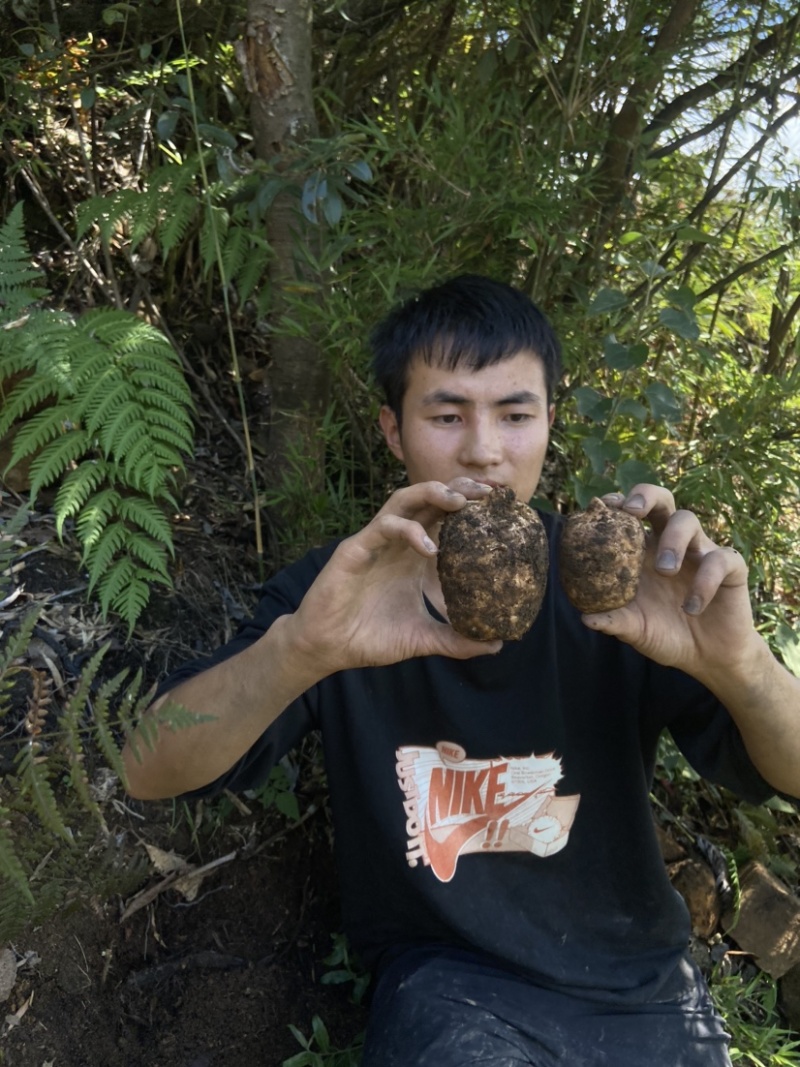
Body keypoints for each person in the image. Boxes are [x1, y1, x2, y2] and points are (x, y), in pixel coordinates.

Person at [123, 274, 800, 1067]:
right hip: (452, 991)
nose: (484, 448)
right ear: (393, 429)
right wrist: (303, 648)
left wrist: (738, 660)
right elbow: (146, 767)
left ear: (549, 421)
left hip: (641, 987)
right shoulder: (340, 592)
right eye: (447, 414)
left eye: (515, 413)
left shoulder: (622, 588)